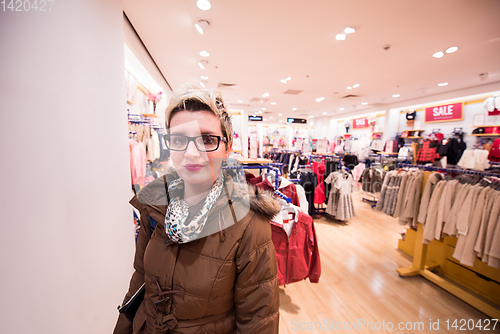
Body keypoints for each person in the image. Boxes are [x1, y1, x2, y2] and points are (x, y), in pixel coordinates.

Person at [114, 85, 280, 334]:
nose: (192, 153)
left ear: (227, 146)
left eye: (207, 139)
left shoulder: (249, 223)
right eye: (180, 140)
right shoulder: (156, 205)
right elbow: (140, 281)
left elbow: (258, 321)